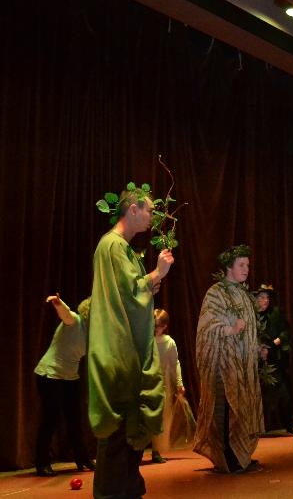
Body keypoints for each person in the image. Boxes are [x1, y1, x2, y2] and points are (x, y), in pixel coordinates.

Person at [88, 185, 174, 498]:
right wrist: (157, 273)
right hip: (119, 349)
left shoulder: (119, 247)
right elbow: (129, 292)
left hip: (123, 348)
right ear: (133, 210)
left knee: (127, 434)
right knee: (118, 433)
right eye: (149, 210)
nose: (152, 216)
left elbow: (133, 290)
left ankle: (125, 489)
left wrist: (149, 283)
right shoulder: (112, 245)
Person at [194, 245, 263, 473]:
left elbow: (249, 329)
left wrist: (256, 348)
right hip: (223, 366)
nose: (246, 269)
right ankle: (228, 459)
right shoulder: (216, 293)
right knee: (225, 413)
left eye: (248, 265)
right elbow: (207, 327)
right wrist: (230, 330)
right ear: (229, 267)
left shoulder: (243, 294)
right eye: (241, 265)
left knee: (242, 410)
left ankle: (241, 456)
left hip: (243, 366)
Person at [34, 294, 94, 477]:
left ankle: (82, 458)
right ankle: (42, 463)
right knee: (50, 419)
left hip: (70, 377)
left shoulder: (93, 333)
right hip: (49, 374)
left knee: (75, 420)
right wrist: (58, 303)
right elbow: (65, 313)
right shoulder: (75, 321)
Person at [253, 284, 293, 435]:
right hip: (257, 363)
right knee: (258, 396)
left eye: (267, 298)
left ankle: (289, 425)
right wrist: (259, 349)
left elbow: (286, 332)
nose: (265, 301)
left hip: (276, 361)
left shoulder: (276, 313)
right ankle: (256, 428)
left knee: (284, 394)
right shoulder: (252, 316)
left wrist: (272, 345)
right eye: (261, 298)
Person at [150, 308, 185, 463]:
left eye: (157, 326)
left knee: (161, 417)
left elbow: (175, 363)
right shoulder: (147, 340)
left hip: (162, 383)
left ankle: (156, 450)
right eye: (153, 325)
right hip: (148, 382)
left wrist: (179, 383)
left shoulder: (169, 342)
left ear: (164, 326)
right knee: (147, 416)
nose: (154, 329)